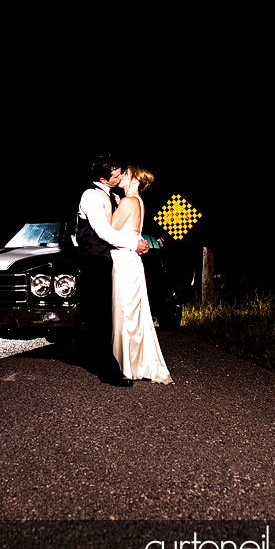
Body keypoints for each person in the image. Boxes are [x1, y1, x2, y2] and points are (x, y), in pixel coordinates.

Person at [77, 155, 149, 387]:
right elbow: (103, 232)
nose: (119, 177)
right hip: (94, 260)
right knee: (101, 317)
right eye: (115, 175)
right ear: (102, 178)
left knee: (107, 315)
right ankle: (109, 370)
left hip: (108, 260)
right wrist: (134, 243)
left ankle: (117, 362)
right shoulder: (90, 196)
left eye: (120, 173)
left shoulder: (113, 196)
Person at [111, 166, 174, 385]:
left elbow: (109, 230)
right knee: (134, 314)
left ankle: (124, 366)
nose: (120, 177)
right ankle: (135, 363)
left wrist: (113, 208)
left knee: (124, 313)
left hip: (123, 261)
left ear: (134, 178)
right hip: (133, 262)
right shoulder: (138, 202)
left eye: (125, 174)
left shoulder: (129, 202)